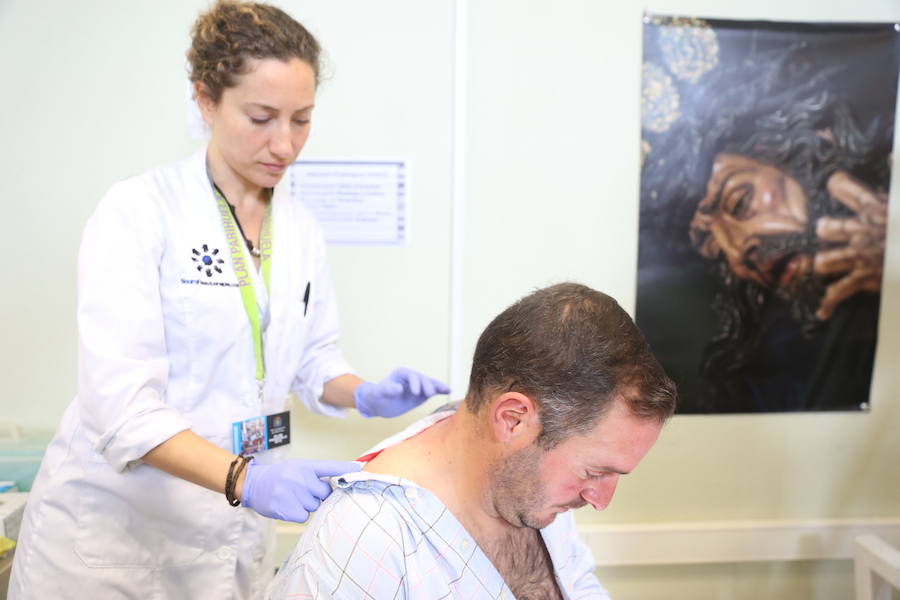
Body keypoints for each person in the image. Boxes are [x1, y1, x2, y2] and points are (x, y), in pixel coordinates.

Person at [9, 2, 447, 598]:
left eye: (302, 119)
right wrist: (246, 478)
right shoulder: (140, 212)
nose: (285, 144)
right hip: (114, 541)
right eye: (262, 116)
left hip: (229, 540)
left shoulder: (300, 227)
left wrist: (362, 393)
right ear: (206, 100)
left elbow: (313, 356)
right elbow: (121, 409)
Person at [267, 283, 677, 599]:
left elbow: (576, 581)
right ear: (513, 420)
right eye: (597, 471)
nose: (601, 499)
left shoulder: (532, 484)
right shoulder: (368, 536)